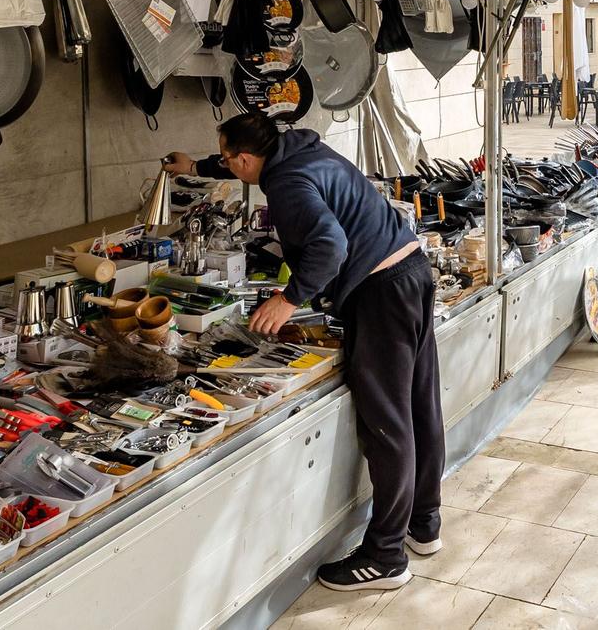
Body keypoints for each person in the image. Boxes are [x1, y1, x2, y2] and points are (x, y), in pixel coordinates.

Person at [165, 110, 440, 593]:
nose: (228, 165)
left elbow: (330, 245)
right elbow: (245, 161)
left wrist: (288, 299)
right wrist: (195, 168)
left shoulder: (286, 185)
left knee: (387, 424)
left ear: (247, 159)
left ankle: (386, 556)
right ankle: (424, 523)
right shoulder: (299, 147)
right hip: (411, 270)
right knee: (420, 406)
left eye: (229, 159)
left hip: (380, 294)